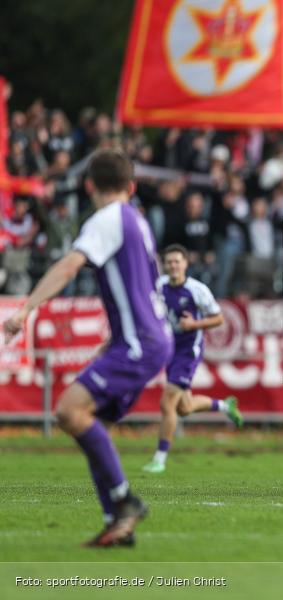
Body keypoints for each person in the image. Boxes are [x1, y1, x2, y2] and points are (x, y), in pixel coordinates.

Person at [2, 150, 173, 546]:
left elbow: (68, 266)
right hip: (150, 337)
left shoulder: (105, 220)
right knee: (91, 420)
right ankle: (118, 524)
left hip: (140, 342)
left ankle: (123, 500)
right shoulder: (138, 220)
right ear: (131, 186)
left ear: (89, 185)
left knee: (68, 410)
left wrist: (24, 310)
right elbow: (149, 284)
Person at [142, 244, 243, 474]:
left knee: (167, 403)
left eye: (177, 261)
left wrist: (194, 325)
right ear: (165, 265)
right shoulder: (159, 287)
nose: (173, 266)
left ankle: (159, 459)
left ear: (185, 264)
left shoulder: (197, 290)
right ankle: (225, 406)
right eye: (169, 262)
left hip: (188, 352)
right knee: (184, 408)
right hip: (169, 351)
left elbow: (218, 319)